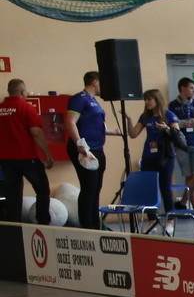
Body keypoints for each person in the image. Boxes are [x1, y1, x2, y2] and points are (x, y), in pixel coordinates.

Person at [65, 71, 121, 230]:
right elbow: (70, 122)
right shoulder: (79, 99)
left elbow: (95, 125)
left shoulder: (94, 101)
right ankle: (87, 225)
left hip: (98, 148)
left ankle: (96, 224)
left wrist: (112, 132)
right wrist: (79, 144)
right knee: (89, 187)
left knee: (96, 188)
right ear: (95, 82)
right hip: (85, 149)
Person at [0, 79, 55, 225]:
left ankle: (13, 225)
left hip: (6, 160)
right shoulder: (26, 108)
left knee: (13, 194)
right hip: (27, 158)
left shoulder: (1, 108)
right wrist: (48, 156)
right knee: (42, 190)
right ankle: (43, 223)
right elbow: (36, 133)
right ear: (23, 92)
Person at [133, 88, 181, 217]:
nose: (147, 102)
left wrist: (166, 128)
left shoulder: (169, 115)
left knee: (165, 187)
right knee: (149, 188)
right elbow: (133, 134)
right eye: (145, 100)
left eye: (149, 99)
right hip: (148, 156)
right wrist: (128, 120)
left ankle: (170, 219)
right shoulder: (145, 116)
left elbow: (177, 135)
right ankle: (152, 219)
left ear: (157, 100)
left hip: (165, 156)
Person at [169, 77, 194, 208]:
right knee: (189, 177)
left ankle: (182, 202)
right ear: (182, 88)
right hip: (181, 145)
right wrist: (192, 121)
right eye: (191, 88)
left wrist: (182, 122)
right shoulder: (172, 106)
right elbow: (173, 125)